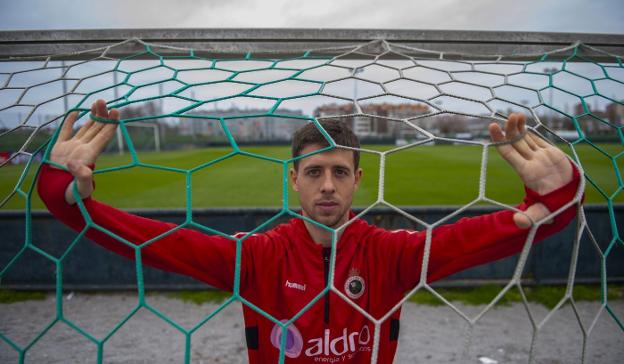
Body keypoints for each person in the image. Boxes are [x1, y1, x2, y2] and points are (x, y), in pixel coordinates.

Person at [38, 99, 581, 363]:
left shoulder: (392, 255)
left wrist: (553, 199)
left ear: (359, 181)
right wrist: (66, 201)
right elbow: (146, 241)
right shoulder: (255, 258)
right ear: (293, 179)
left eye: (339, 172)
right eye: (314, 172)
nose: (327, 186)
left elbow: (499, 232)